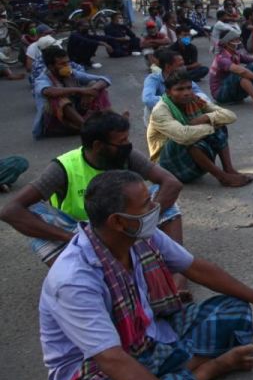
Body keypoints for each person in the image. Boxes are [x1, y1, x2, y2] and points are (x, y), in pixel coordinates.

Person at [39, 169, 253, 380]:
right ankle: (206, 370)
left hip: (148, 335)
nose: (155, 207)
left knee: (235, 308)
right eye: (146, 205)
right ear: (118, 221)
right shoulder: (73, 279)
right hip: (96, 372)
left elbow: (196, 268)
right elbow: (111, 359)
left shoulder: (138, 235)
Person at [1, 111, 186, 268]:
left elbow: (171, 183)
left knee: (165, 198)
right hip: (80, 231)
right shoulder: (63, 167)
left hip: (125, 225)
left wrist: (146, 220)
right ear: (98, 146)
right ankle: (81, 276)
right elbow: (10, 211)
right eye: (121, 141)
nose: (127, 145)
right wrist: (70, 238)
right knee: (33, 218)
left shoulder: (126, 155)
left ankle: (177, 274)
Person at [148, 69, 252, 187]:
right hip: (167, 167)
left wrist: (206, 117)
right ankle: (223, 177)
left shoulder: (195, 100)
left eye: (188, 88)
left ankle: (228, 169)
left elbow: (231, 116)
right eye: (180, 89)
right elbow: (184, 135)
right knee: (188, 137)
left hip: (189, 158)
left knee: (216, 123)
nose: (186, 93)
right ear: (168, 92)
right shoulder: (160, 110)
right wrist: (211, 126)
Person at [34, 46, 112, 139]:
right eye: (62, 64)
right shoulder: (42, 79)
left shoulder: (72, 73)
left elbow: (104, 79)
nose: (67, 66)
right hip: (55, 123)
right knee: (58, 98)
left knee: (95, 85)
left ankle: (109, 120)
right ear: (51, 66)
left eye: (67, 62)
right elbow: (49, 91)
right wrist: (81, 90)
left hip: (75, 114)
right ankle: (87, 129)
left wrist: (90, 91)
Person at [142, 49, 210, 127]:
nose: (184, 67)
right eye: (180, 65)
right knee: (148, 108)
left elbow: (202, 96)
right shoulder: (153, 79)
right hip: (163, 116)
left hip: (183, 113)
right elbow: (148, 99)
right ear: (168, 67)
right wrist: (176, 101)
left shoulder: (184, 78)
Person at [209, 29, 253, 110]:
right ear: (227, 43)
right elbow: (242, 71)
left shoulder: (235, 54)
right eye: (234, 40)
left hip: (232, 91)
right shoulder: (221, 58)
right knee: (240, 74)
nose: (238, 41)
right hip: (220, 94)